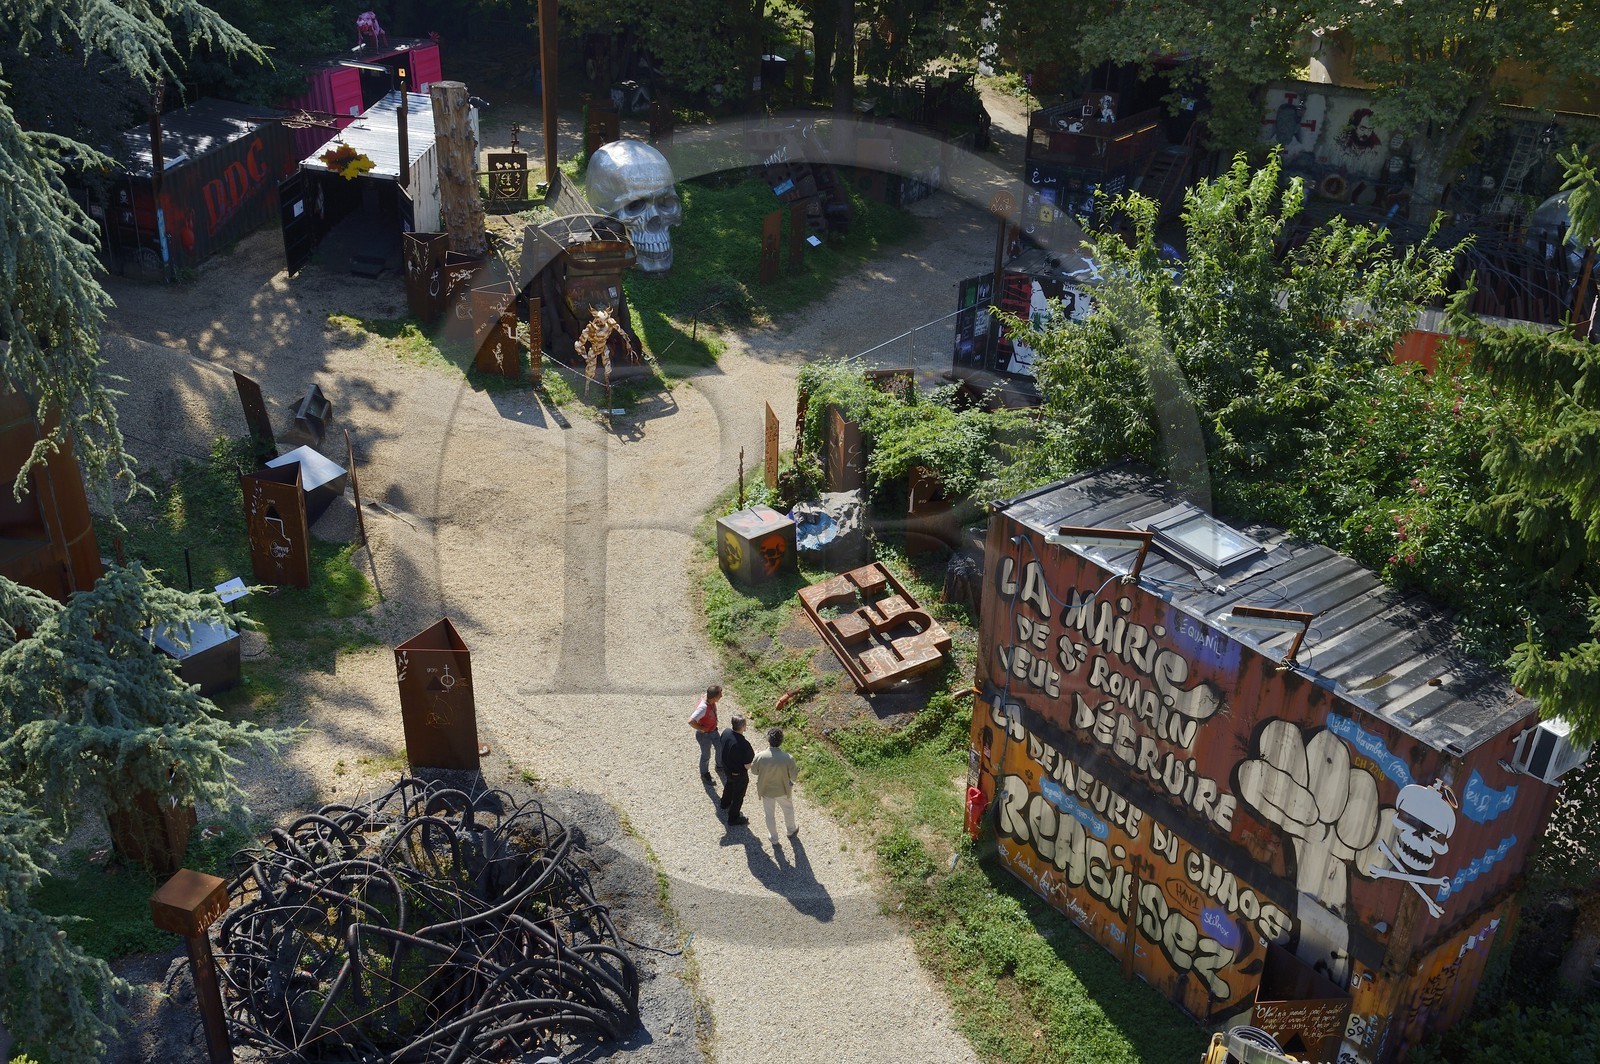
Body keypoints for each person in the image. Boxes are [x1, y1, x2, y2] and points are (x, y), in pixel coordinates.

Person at [751, 727, 798, 844]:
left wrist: (755, 756)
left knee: (769, 815)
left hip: (766, 791)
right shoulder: (788, 758)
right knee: (788, 810)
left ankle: (774, 838)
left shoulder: (760, 756)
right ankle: (791, 830)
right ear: (781, 741)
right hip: (783, 790)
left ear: (768, 740)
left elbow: (754, 771)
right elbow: (794, 776)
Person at [718, 714, 754, 826]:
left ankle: (724, 803)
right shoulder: (744, 745)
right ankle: (733, 817)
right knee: (739, 795)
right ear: (743, 726)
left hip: (727, 768)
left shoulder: (726, 732)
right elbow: (748, 765)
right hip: (738, 774)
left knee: (729, 784)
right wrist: (756, 757)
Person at [689, 684, 721, 780]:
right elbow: (691, 721)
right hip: (704, 735)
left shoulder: (708, 697)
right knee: (706, 755)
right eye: (720, 695)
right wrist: (701, 728)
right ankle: (704, 774)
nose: (721, 696)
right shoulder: (703, 707)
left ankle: (719, 766)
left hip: (713, 730)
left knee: (720, 748)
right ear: (714, 698)